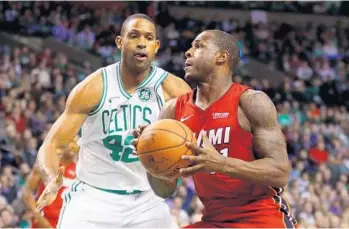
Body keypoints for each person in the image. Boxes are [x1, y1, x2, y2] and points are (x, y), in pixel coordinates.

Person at [35, 14, 191, 228]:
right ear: (120, 42)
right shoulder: (93, 87)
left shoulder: (174, 90)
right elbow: (52, 145)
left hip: (147, 199)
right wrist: (50, 180)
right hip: (93, 198)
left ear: (156, 46)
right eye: (134, 36)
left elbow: (193, 142)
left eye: (148, 38)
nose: (141, 43)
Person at [133, 30, 297, 228]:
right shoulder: (173, 111)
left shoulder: (250, 102)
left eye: (199, 46)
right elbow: (164, 190)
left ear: (221, 57)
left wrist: (221, 164)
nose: (188, 52)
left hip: (262, 217)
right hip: (214, 221)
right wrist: (150, 158)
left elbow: (280, 172)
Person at [22, 137, 79, 228]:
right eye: (71, 142)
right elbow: (26, 193)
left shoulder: (80, 172)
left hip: (64, 221)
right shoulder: (46, 163)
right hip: (43, 219)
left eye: (77, 142)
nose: (74, 146)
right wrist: (40, 218)